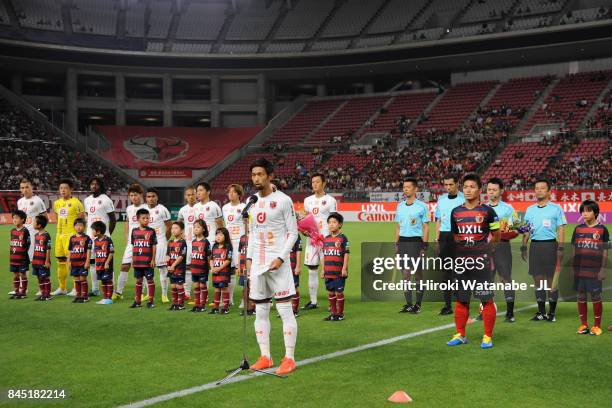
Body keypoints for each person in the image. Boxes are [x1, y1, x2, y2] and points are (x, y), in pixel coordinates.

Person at [246, 158, 299, 375]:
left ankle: (289, 358)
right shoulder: (250, 202)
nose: (256, 178)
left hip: (277, 263)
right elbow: (252, 234)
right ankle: (265, 356)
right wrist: (248, 259)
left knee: (285, 309)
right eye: (253, 175)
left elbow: (293, 233)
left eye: (260, 174)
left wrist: (281, 257)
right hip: (257, 263)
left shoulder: (284, 200)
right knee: (261, 310)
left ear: (270, 176)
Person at [447, 174, 500, 349]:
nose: (468, 190)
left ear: (479, 190)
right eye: (465, 187)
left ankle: (487, 336)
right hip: (462, 263)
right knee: (462, 300)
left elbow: (497, 235)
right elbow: (455, 235)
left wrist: (485, 249)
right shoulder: (455, 212)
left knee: (486, 299)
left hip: (480, 263)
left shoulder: (488, 211)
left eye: (472, 186)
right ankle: (461, 334)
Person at [521, 178, 566, 322]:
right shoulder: (530, 209)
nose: (539, 190)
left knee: (551, 281)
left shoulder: (556, 208)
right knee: (538, 280)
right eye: (537, 188)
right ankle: (541, 312)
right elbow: (526, 229)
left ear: (549, 191)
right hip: (535, 246)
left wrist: (561, 247)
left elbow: (561, 228)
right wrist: (523, 245)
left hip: (550, 246)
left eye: (542, 188)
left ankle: (552, 313)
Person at [572, 200, 609, 336]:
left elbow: (605, 251)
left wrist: (602, 269)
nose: (585, 213)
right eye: (583, 211)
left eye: (588, 210)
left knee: (595, 295)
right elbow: (574, 250)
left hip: (594, 270)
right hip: (580, 269)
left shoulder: (602, 230)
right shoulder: (577, 229)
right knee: (581, 295)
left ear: (596, 213)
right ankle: (583, 325)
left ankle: (597, 326)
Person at [486, 178, 520, 322]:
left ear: (501, 191)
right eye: (489, 189)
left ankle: (510, 313)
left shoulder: (508, 209)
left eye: (494, 189)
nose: (491, 192)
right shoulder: (482, 208)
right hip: (485, 249)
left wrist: (500, 235)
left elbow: (517, 228)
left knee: (505, 278)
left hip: (501, 247)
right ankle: (486, 311)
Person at [302, 173, 337, 311]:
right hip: (311, 240)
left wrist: (331, 237)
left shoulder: (330, 200)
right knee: (312, 270)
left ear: (323, 184)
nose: (314, 184)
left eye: (317, 182)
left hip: (326, 240)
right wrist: (304, 230)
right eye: (313, 182)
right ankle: (313, 301)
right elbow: (305, 220)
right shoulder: (307, 200)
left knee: (329, 270)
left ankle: (332, 302)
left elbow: (335, 220)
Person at [395, 178, 430, 314]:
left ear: (415, 189)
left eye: (408, 187)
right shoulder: (400, 206)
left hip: (416, 241)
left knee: (417, 273)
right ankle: (409, 303)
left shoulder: (422, 206)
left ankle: (418, 304)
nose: (405, 189)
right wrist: (396, 243)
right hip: (403, 242)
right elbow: (398, 226)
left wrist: (424, 246)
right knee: (405, 273)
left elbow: (426, 227)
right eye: (404, 187)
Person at [434, 174, 464, 315]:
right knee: (446, 272)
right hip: (444, 237)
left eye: (450, 184)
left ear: (457, 184)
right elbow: (438, 220)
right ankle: (447, 306)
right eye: (445, 185)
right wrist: (437, 238)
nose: (448, 187)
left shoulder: (464, 198)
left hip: (460, 236)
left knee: (460, 271)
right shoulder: (441, 200)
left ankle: (460, 301)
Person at [51, 179, 85, 296]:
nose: (63, 190)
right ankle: (62, 288)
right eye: (61, 188)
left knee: (73, 262)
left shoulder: (77, 203)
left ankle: (76, 288)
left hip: (71, 236)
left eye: (65, 188)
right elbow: (57, 217)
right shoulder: (56, 203)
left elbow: (81, 219)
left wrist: (79, 236)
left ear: (71, 189)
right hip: (59, 235)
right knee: (60, 260)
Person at [114, 183, 146, 300]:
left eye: (135, 195)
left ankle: (142, 292)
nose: (133, 197)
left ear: (141, 195)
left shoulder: (146, 208)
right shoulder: (129, 208)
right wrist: (127, 237)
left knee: (142, 268)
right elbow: (127, 223)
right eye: (131, 195)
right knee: (124, 265)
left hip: (143, 243)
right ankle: (118, 291)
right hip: (131, 243)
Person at [84, 177, 116, 297]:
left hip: (103, 238)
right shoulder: (87, 200)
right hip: (90, 236)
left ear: (101, 186)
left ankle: (111, 290)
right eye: (92, 184)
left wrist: (107, 234)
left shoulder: (106, 200)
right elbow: (88, 216)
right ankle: (95, 289)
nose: (93, 186)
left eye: (96, 184)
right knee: (92, 263)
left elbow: (113, 219)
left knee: (106, 263)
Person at [14, 178, 46, 296]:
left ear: (31, 187)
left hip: (34, 237)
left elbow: (44, 218)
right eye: (22, 188)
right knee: (22, 261)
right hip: (22, 236)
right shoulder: (20, 202)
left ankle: (42, 288)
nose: (25, 190)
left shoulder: (37, 200)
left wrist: (40, 233)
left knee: (36, 262)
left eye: (27, 187)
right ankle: (23, 288)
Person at [145, 189, 172, 304]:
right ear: (146, 198)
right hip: (146, 244)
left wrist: (163, 239)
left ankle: (164, 295)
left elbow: (169, 227)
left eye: (153, 196)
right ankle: (147, 294)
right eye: (148, 196)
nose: (151, 198)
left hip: (160, 243)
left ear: (157, 197)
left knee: (162, 269)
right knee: (147, 270)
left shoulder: (162, 209)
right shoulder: (143, 209)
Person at [322, 213, 350, 321]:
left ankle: (340, 314)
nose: (331, 224)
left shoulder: (343, 238)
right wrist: (322, 269)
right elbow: (324, 255)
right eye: (329, 222)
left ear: (340, 224)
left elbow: (346, 254)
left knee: (339, 292)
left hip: (338, 272)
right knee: (330, 292)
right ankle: (333, 313)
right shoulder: (326, 239)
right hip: (328, 271)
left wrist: (344, 268)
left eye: (334, 222)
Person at [222, 184, 246, 307]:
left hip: (240, 243)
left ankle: (244, 300)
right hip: (228, 243)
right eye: (229, 192)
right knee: (229, 271)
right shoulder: (225, 208)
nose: (230, 194)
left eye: (233, 192)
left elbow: (247, 224)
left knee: (242, 271)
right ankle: (229, 299)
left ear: (239, 194)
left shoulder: (244, 207)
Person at [130, 208, 157, 309]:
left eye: (147, 218)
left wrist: (153, 259)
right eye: (143, 218)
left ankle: (150, 301)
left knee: (150, 280)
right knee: (138, 280)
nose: (146, 220)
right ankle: (137, 301)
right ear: (138, 219)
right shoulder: (134, 231)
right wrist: (133, 259)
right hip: (137, 261)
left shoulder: (151, 231)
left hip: (147, 261)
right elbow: (134, 246)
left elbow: (154, 245)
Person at [177, 186, 197, 300]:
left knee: (202, 267)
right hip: (187, 242)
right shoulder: (183, 210)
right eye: (188, 195)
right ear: (185, 196)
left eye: (193, 194)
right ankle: (187, 293)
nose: (191, 197)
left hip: (199, 242)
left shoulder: (200, 208)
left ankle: (203, 293)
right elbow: (179, 225)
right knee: (187, 266)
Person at [67, 218, 92, 303]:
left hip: (83, 263)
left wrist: (87, 261)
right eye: (77, 225)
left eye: (81, 225)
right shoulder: (72, 238)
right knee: (76, 279)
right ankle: (78, 295)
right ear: (74, 227)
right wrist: (69, 262)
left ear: (84, 227)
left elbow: (89, 251)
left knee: (83, 279)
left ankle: (85, 296)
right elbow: (70, 251)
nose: (79, 227)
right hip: (74, 263)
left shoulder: (87, 238)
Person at [209, 227, 233, 314]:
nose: (218, 236)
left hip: (223, 272)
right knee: (217, 289)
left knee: (224, 288)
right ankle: (216, 307)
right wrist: (212, 268)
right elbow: (211, 259)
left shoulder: (228, 247)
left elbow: (228, 260)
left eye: (221, 234)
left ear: (225, 236)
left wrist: (218, 268)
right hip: (215, 272)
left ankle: (226, 308)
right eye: (217, 234)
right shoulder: (214, 246)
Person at [189, 219, 210, 313]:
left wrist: (210, 267)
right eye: (194, 227)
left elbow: (209, 256)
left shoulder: (206, 242)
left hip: (203, 268)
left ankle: (202, 305)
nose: (195, 229)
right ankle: (197, 304)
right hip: (194, 268)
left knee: (202, 285)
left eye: (198, 227)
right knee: (196, 286)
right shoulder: (193, 241)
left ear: (204, 229)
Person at [91, 221, 114, 305]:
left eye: (93, 230)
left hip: (106, 266)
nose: (92, 232)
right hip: (99, 265)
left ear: (98, 231)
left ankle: (109, 298)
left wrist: (107, 263)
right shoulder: (96, 241)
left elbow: (111, 252)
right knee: (103, 281)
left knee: (108, 280)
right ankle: (105, 298)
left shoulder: (108, 240)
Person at [9, 210, 30, 299]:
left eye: (16, 218)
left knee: (23, 274)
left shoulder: (25, 231)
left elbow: (28, 243)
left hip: (22, 258)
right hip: (13, 258)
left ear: (22, 220)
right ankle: (17, 291)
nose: (14, 220)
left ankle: (23, 292)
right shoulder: (12, 231)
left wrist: (23, 252)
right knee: (15, 274)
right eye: (13, 218)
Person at [167, 221, 188, 311]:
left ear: (181, 231)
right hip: (171, 268)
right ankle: (175, 303)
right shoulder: (170, 242)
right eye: (172, 228)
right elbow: (167, 255)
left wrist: (173, 265)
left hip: (179, 268)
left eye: (176, 228)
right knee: (173, 286)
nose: (173, 230)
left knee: (179, 286)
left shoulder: (183, 242)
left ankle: (181, 304)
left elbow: (181, 256)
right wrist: (168, 265)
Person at [32, 215, 52, 301]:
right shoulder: (36, 235)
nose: (33, 223)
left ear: (39, 225)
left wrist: (47, 261)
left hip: (43, 261)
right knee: (39, 277)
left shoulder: (46, 235)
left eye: (34, 222)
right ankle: (42, 293)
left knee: (45, 277)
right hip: (36, 260)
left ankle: (48, 294)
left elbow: (48, 249)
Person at [238, 230, 255, 316]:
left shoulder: (256, 236)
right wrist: (239, 266)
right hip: (243, 267)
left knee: (253, 288)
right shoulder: (242, 238)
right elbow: (239, 252)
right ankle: (246, 307)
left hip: (253, 267)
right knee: (245, 288)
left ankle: (253, 307)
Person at [290, 235, 302, 317]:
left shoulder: (295, 235)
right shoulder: (280, 232)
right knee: (283, 288)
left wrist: (298, 266)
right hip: (282, 267)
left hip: (292, 266)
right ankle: (286, 310)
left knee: (294, 287)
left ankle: (294, 310)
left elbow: (298, 251)